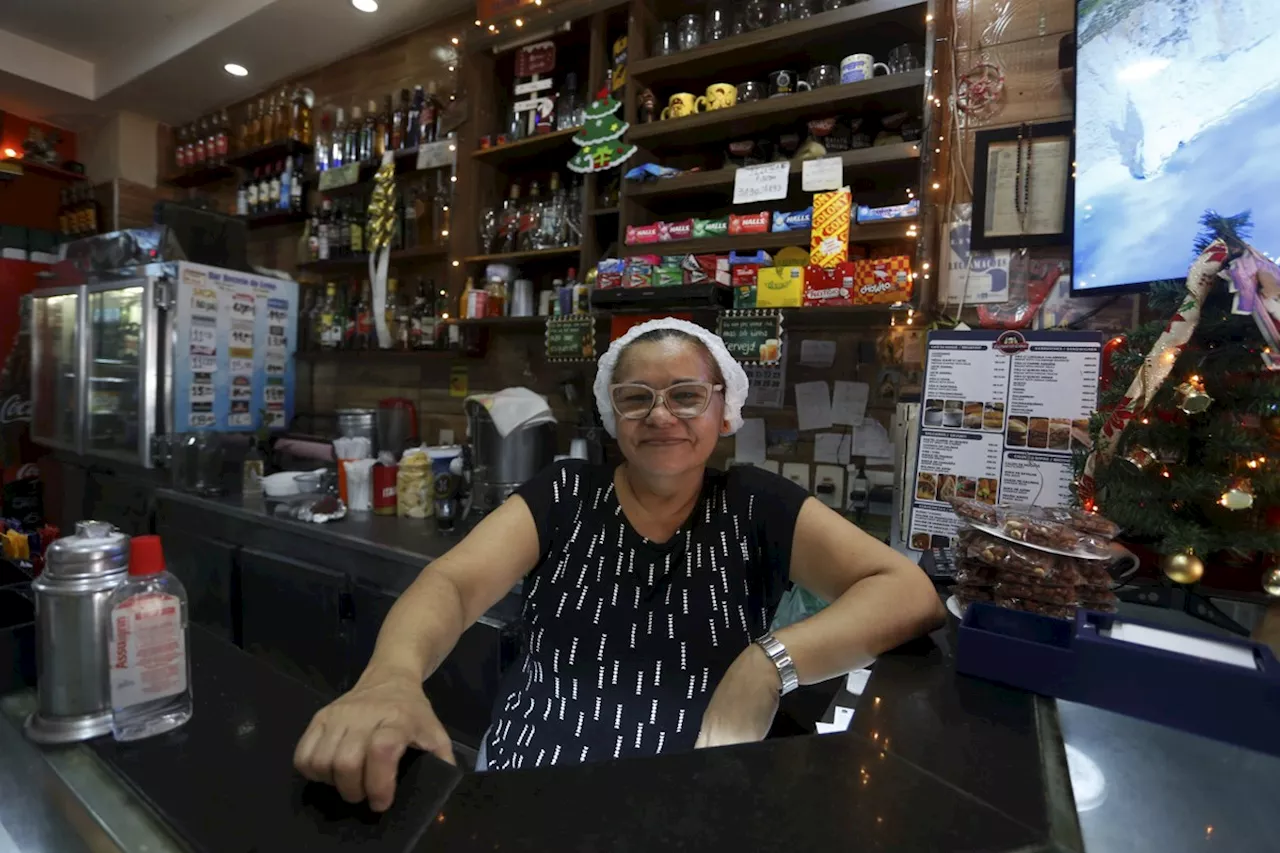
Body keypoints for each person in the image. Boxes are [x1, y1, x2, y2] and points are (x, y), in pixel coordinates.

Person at [294, 318, 944, 810]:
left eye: (686, 395)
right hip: (525, 799)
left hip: (689, 810)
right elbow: (454, 583)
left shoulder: (756, 504)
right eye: (637, 398)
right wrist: (390, 677)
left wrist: (766, 665)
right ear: (614, 418)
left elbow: (907, 590)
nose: (661, 414)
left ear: (724, 412)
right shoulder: (566, 492)